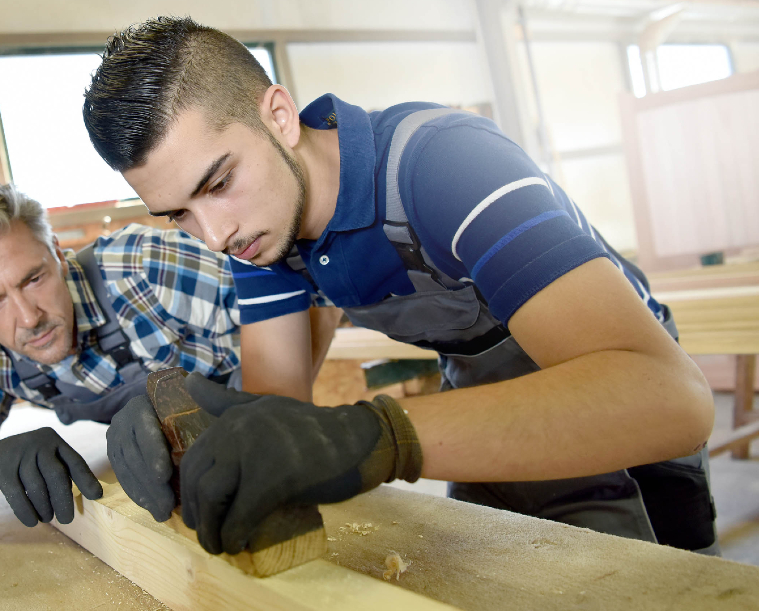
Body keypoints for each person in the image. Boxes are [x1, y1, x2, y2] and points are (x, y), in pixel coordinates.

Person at [82, 16, 719, 557]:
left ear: (278, 117)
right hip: (477, 397)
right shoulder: (259, 230)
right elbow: (276, 409)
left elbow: (670, 397)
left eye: (218, 183)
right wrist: (192, 422)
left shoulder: (442, 164)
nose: (214, 234)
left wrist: (379, 438)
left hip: (619, 413)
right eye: (179, 214)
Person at [0, 177, 240, 537]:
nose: (30, 318)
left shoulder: (141, 267)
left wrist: (255, 418)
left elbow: (292, 308)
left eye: (33, 279)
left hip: (252, 425)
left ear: (56, 253)